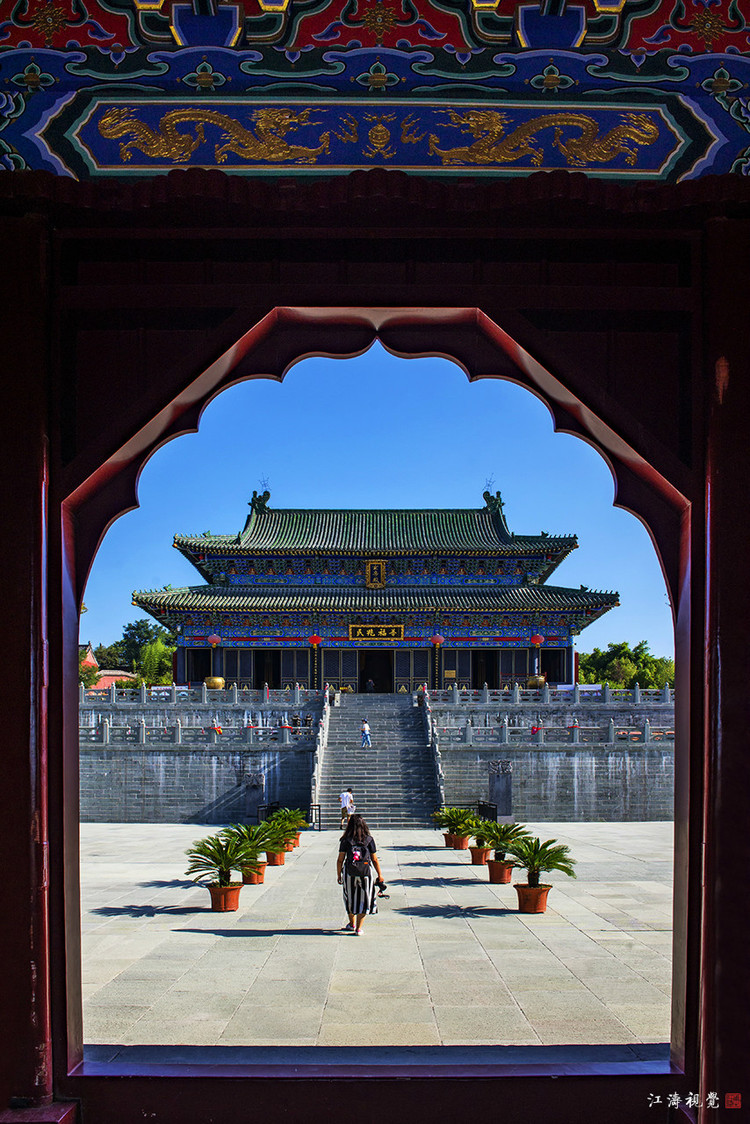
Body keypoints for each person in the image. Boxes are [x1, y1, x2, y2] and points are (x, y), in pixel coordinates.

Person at [336, 814, 384, 935]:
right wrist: (380, 875)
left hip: (349, 873)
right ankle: (359, 928)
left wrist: (339, 875)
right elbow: (374, 859)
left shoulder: (345, 840)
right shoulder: (369, 839)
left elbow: (340, 859)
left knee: (350, 897)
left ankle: (352, 924)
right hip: (365, 872)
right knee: (365, 898)